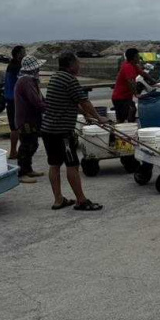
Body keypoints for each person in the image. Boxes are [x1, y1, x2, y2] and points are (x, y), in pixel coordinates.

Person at [41, 52, 106, 211]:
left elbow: (70, 101)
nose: (79, 66)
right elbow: (84, 101)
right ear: (70, 65)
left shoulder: (56, 77)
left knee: (54, 164)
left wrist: (85, 114)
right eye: (78, 63)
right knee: (72, 165)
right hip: (62, 131)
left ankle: (58, 200)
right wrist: (98, 117)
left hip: (48, 129)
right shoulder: (70, 80)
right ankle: (81, 201)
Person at [14, 55, 47, 183]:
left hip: (30, 118)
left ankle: (28, 169)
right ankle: (21, 173)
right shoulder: (26, 81)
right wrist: (47, 108)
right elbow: (35, 101)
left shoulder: (29, 80)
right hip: (26, 119)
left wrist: (46, 104)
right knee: (27, 145)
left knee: (33, 143)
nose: (39, 71)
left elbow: (40, 99)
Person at [112, 48, 155, 123]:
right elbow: (131, 82)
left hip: (126, 96)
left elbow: (143, 74)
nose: (139, 58)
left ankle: (129, 127)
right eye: (138, 56)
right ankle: (117, 132)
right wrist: (136, 94)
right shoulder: (127, 66)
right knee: (125, 115)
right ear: (134, 57)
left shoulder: (133, 65)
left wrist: (154, 81)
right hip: (120, 97)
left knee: (130, 111)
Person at [4, 45, 26, 160]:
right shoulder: (17, 67)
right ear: (18, 55)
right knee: (17, 127)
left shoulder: (10, 65)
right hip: (15, 100)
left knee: (14, 127)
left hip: (9, 98)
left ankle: (15, 151)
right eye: (24, 53)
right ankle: (14, 151)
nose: (25, 55)